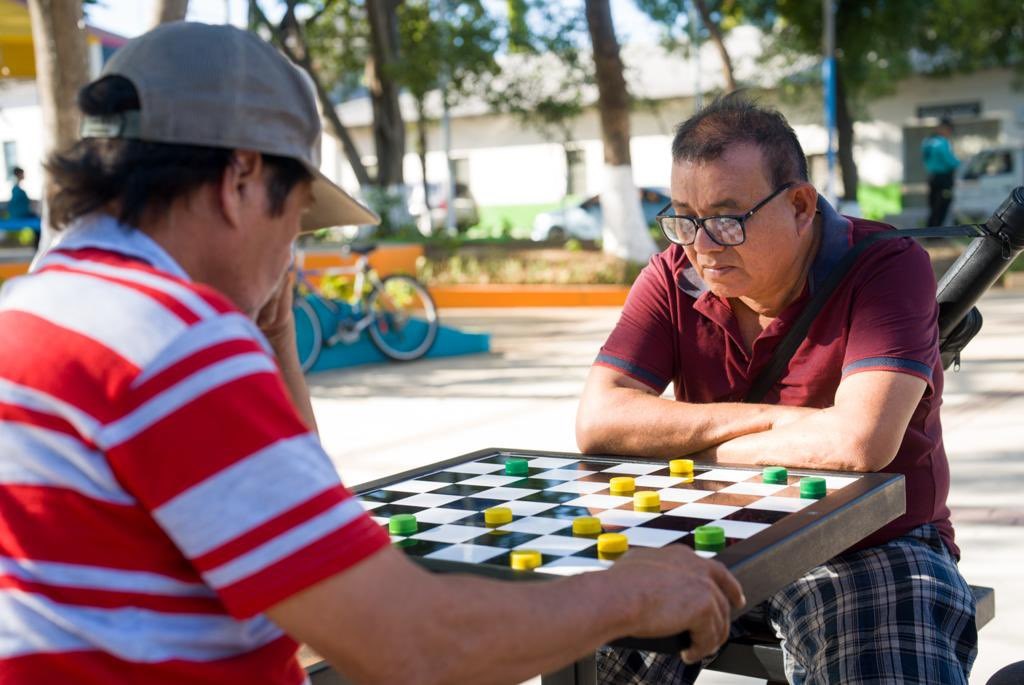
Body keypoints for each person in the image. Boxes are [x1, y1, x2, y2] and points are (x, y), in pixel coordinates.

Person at [0, 22, 744, 685]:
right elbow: (411, 647)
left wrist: (274, 333)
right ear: (240, 178)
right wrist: (630, 591)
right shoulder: (173, 342)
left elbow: (288, 519)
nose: (292, 252)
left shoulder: (36, 310)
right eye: (297, 218)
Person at [577, 96, 977, 684]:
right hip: (705, 530)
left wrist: (681, 442)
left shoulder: (887, 266)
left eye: (726, 216)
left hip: (867, 545)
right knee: (591, 638)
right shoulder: (672, 273)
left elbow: (860, 445)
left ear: (798, 205)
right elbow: (599, 420)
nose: (701, 245)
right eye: (683, 215)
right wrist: (792, 426)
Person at [922, 117, 960, 227]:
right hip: (944, 178)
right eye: (949, 130)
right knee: (942, 205)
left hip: (932, 177)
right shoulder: (941, 142)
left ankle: (930, 232)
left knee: (933, 206)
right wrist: (960, 164)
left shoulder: (927, 141)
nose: (949, 133)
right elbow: (949, 160)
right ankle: (936, 234)